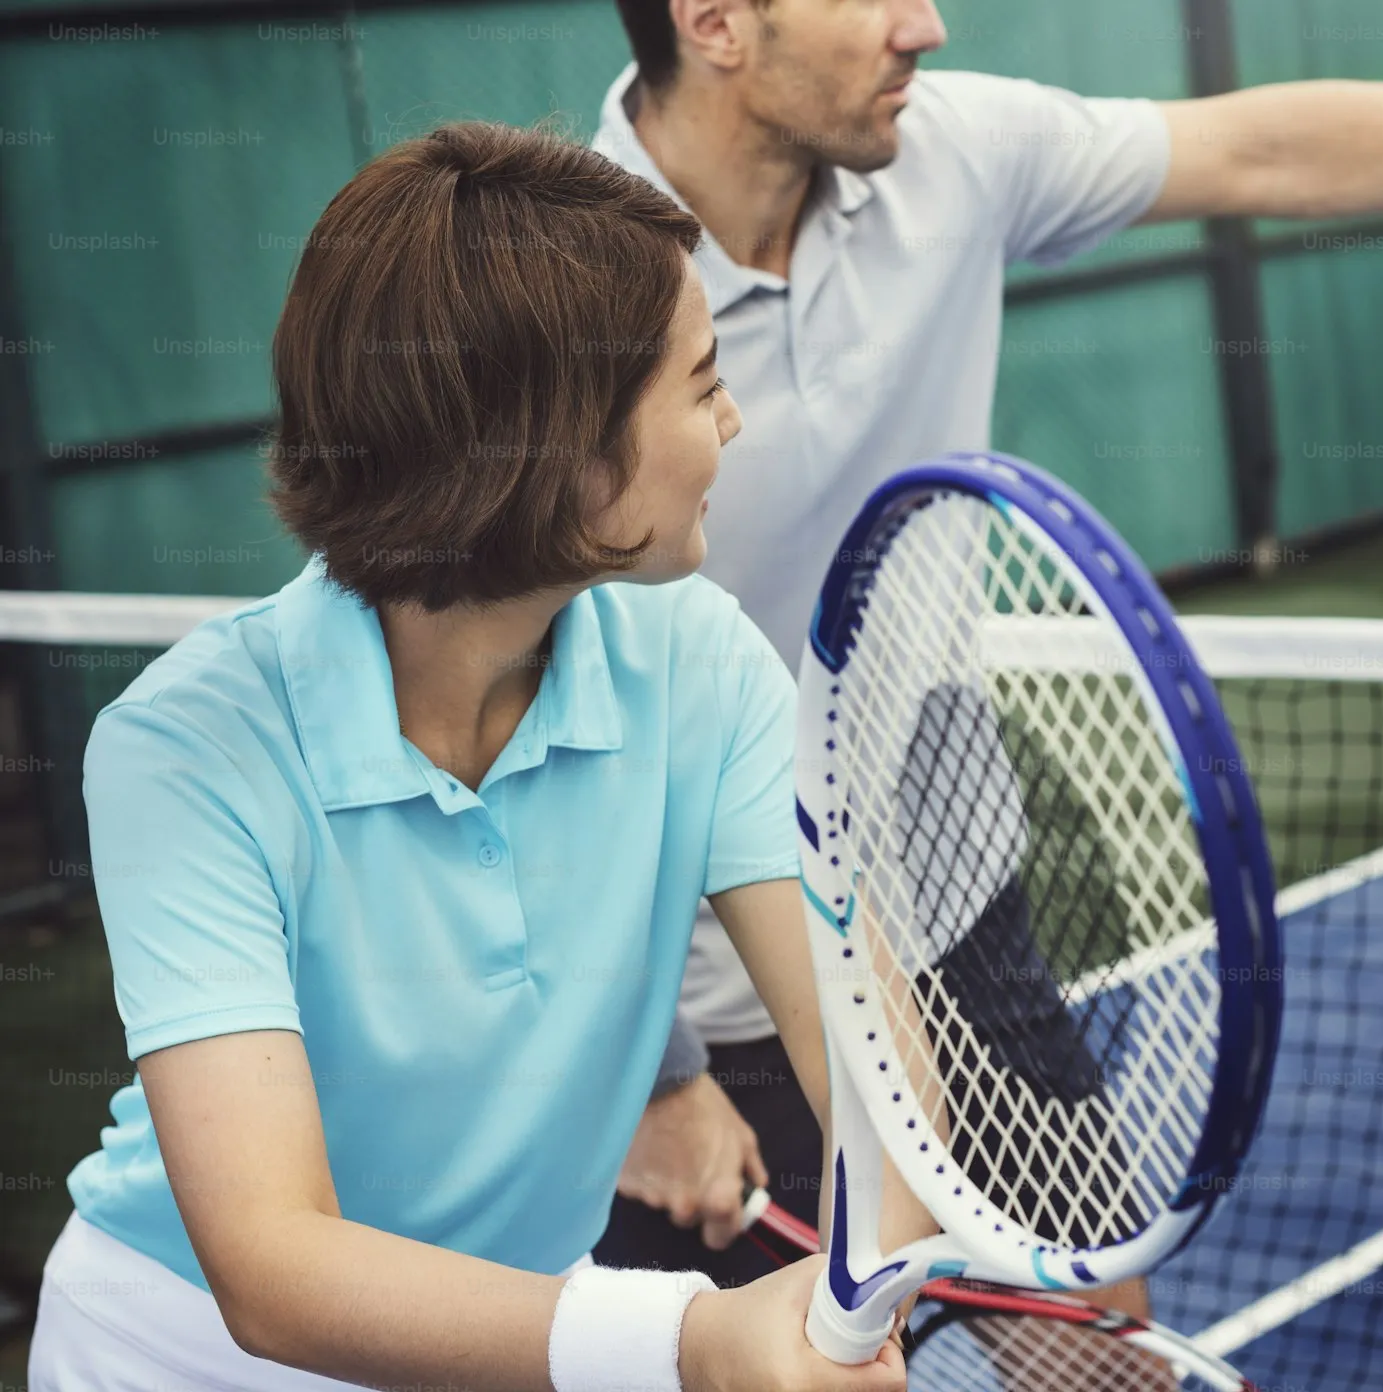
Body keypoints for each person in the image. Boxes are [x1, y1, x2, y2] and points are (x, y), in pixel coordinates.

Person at [593, 0, 1383, 1294]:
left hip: (953, 915)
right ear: (716, 22)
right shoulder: (562, 291)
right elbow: (489, 687)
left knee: (1099, 1347)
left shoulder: (955, 150)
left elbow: (1272, 147)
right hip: (701, 1001)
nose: (924, 26)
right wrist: (654, 1072)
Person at [27, 121, 919, 1392]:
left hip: (515, 1345)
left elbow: (880, 1085)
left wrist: (852, 1293)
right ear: (561, 456)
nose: (734, 417)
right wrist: (699, 1343)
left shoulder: (703, 659)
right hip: (176, 1358)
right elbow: (274, 1267)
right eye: (702, 380)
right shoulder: (184, 750)